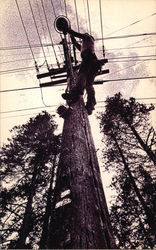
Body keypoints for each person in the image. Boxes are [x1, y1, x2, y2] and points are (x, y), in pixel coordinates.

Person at [62, 28, 101, 115]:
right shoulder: (86, 46)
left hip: (88, 59)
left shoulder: (88, 37)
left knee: (82, 75)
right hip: (94, 64)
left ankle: (76, 94)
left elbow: (77, 34)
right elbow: (76, 44)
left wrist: (67, 29)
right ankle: (90, 105)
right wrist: (71, 36)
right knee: (88, 85)